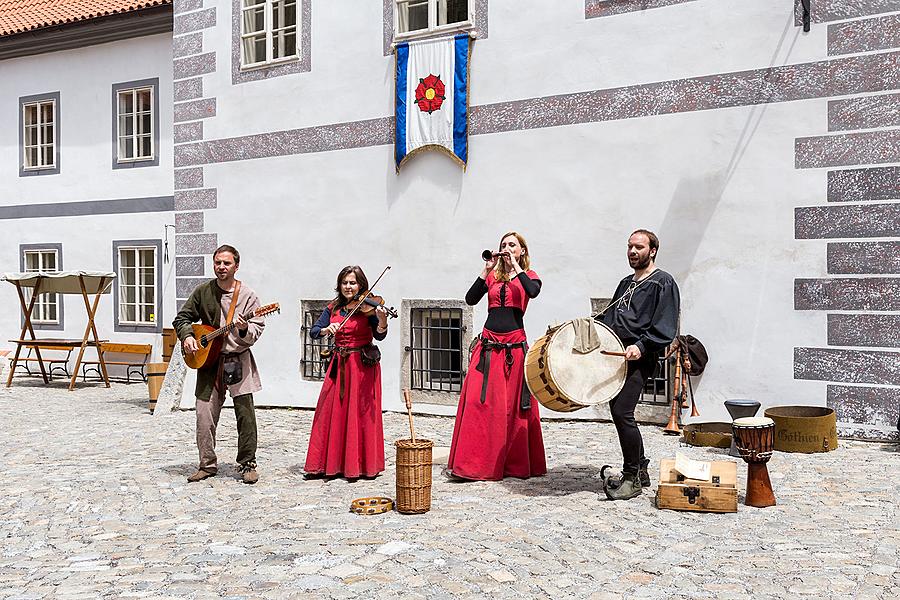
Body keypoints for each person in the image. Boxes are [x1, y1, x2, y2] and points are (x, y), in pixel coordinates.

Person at [446, 232, 547, 481]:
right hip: (489, 346)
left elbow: (532, 292)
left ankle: (512, 464)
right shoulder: (492, 276)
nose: (506, 248)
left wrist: (515, 267)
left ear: (522, 250)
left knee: (513, 407)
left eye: (512, 245)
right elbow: (470, 299)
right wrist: (487, 269)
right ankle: (474, 464)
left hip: (514, 348)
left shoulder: (530, 277)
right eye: (504, 244)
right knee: (478, 403)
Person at [596, 229, 680, 500]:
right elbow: (611, 318)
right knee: (616, 409)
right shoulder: (625, 284)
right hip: (618, 358)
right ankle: (640, 468)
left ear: (652, 250)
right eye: (630, 246)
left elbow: (664, 326)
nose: (633, 251)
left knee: (622, 412)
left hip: (641, 358)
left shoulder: (662, 282)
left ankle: (632, 477)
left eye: (639, 247)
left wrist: (641, 346)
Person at [173, 244, 266, 485]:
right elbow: (182, 318)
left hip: (238, 359)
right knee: (204, 415)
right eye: (218, 263)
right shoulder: (203, 291)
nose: (221, 267)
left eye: (226, 263)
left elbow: (257, 329)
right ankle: (207, 464)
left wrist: (244, 327)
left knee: (245, 414)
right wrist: (189, 337)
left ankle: (247, 463)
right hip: (209, 362)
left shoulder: (248, 296)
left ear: (236, 266)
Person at [304, 266, 389, 479]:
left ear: (361, 285)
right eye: (345, 283)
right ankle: (329, 464)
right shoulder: (333, 308)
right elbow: (314, 331)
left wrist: (383, 321)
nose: (348, 287)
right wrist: (326, 330)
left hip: (361, 367)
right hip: (339, 365)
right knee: (329, 410)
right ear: (339, 285)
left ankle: (361, 465)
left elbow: (379, 336)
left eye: (352, 283)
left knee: (359, 413)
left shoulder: (368, 307)